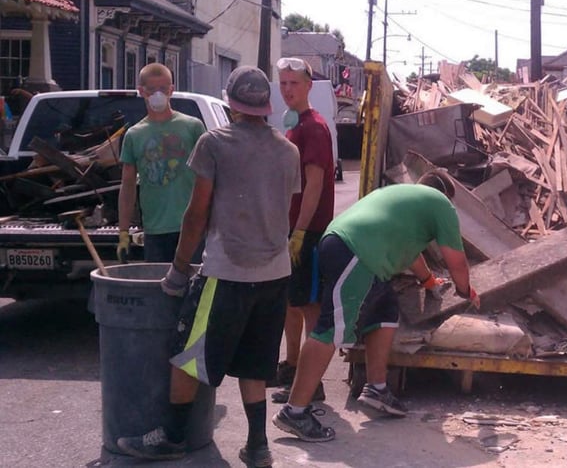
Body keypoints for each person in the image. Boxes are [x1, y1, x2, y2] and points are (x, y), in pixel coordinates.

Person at [116, 66, 301, 467]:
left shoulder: (214, 143)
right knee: (255, 361)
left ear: (230, 102)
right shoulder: (288, 150)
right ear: (265, 104)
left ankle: (173, 436)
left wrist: (179, 270)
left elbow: (196, 214)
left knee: (186, 354)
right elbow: (281, 208)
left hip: (227, 272)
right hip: (274, 274)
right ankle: (257, 446)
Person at [272, 170, 480, 442]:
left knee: (385, 311)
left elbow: (410, 252)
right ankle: (294, 412)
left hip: (346, 247)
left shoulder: (405, 198)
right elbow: (457, 261)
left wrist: (428, 281)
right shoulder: (442, 204)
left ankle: (377, 389)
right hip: (354, 252)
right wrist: (466, 291)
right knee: (331, 329)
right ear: (446, 196)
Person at [269, 57, 335, 404]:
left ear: (309, 85)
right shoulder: (293, 125)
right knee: (292, 303)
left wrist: (300, 232)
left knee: (309, 305)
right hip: (292, 228)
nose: (287, 89)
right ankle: (292, 367)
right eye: (282, 83)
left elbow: (314, 185)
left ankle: (311, 386)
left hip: (307, 232)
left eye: (294, 83)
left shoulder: (314, 127)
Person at [117, 62, 206, 265]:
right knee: (159, 290)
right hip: (155, 231)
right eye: (152, 89)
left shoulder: (192, 127)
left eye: (163, 89)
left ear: (171, 90)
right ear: (141, 91)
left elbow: (209, 177)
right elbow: (128, 186)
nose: (158, 94)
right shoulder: (134, 135)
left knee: (194, 290)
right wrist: (123, 232)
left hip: (192, 228)